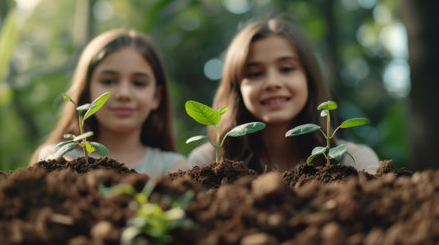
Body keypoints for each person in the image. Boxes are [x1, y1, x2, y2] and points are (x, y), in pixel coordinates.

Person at [188, 17, 379, 173]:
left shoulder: (354, 161)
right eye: (255, 73)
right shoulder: (206, 165)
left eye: (287, 68)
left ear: (309, 78)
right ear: (236, 87)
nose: (272, 83)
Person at [30, 29, 188, 176]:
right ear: (86, 92)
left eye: (139, 83)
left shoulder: (175, 168)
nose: (123, 94)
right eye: (109, 81)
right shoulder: (58, 159)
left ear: (156, 97)